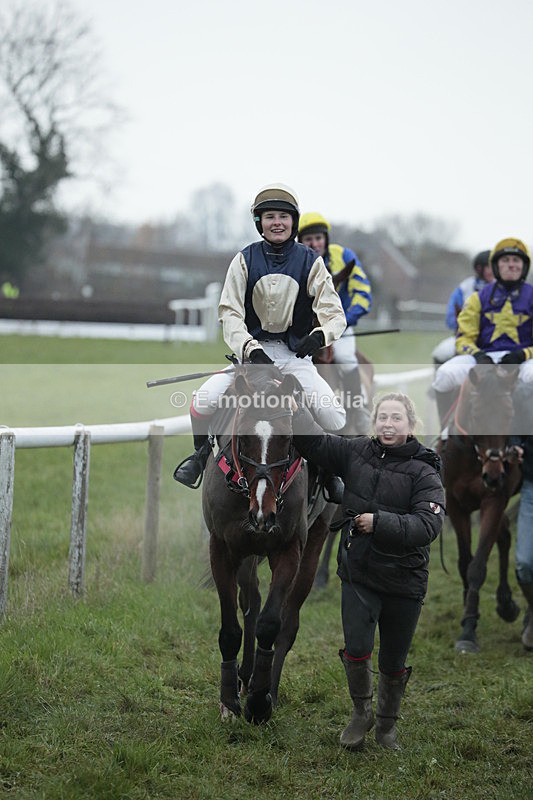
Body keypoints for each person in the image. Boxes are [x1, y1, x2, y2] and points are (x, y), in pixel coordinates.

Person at [291, 391, 444, 750]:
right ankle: (361, 714)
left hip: (405, 582)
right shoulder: (356, 451)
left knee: (393, 661)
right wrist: (293, 410)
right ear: (375, 422)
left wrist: (380, 522)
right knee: (357, 648)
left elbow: (427, 526)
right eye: (383, 418)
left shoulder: (426, 471)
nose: (388, 424)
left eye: (396, 418)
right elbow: (316, 443)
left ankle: (387, 727)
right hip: (359, 572)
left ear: (410, 425)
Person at [173, 183, 347, 491]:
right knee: (202, 401)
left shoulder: (311, 262)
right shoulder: (243, 260)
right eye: (269, 217)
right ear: (259, 223)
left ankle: (326, 470)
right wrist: (251, 351)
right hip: (252, 357)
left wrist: (318, 337)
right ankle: (200, 456)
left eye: (283, 216)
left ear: (293, 222)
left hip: (295, 358)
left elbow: (335, 314)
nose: (277, 222)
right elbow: (229, 314)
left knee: (334, 418)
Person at [432, 237, 533, 427]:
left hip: (524, 359)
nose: (511, 265)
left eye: (516, 261)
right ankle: (445, 433)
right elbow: (463, 339)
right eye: (505, 261)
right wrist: (478, 355)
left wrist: (522, 354)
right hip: (484, 357)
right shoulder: (477, 298)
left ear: (524, 266)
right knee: (444, 375)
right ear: (496, 266)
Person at [297, 212, 372, 429]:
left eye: (318, 238)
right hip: (303, 328)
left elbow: (363, 293)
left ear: (326, 239)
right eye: (308, 239)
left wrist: (343, 321)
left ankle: (358, 411)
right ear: (300, 241)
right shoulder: (296, 260)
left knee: (345, 356)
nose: (314, 243)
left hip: (339, 327)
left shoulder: (345, 256)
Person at [431, 250, 493, 366]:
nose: (494, 270)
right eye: (490, 267)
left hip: (494, 340)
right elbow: (450, 318)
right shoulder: (465, 288)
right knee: (440, 353)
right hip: (466, 338)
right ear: (480, 268)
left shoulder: (502, 288)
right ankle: (439, 383)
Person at [509, 382, 533, 651]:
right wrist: (516, 446)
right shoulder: (527, 391)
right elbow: (516, 431)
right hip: (531, 489)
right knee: (525, 563)